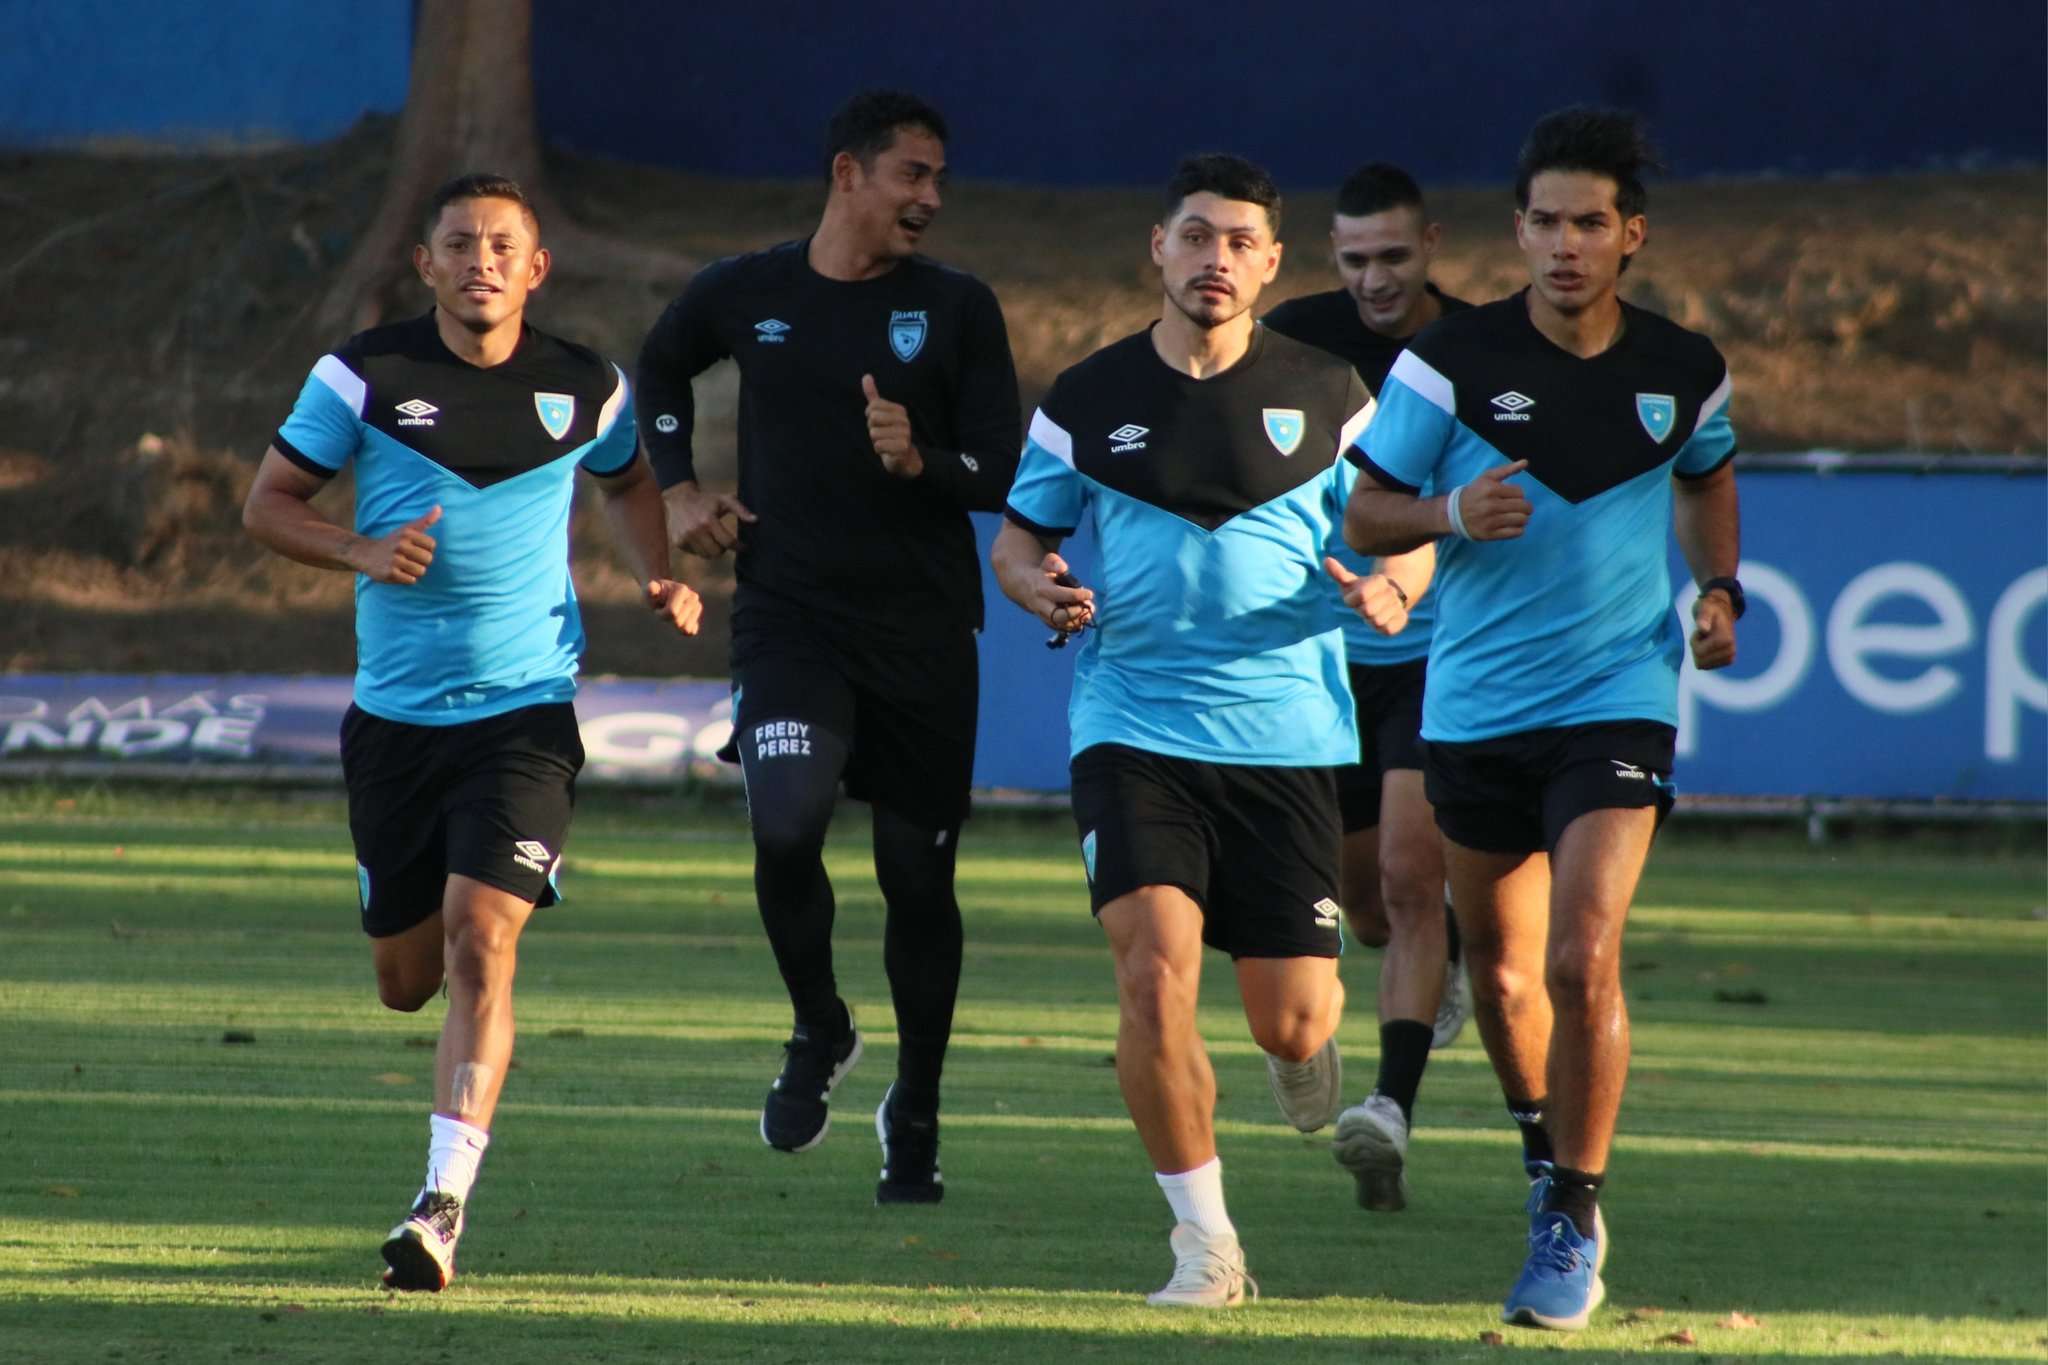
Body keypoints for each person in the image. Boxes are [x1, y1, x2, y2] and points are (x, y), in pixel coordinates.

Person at [242, 173, 703, 1290]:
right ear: (428, 265)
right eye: (461, 243)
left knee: (479, 939)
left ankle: (440, 1206)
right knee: (406, 980)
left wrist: (660, 574)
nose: (483, 260)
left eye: (505, 244)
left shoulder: (586, 384)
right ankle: (437, 1038)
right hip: (395, 723)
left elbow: (631, 480)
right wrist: (360, 551)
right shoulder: (362, 375)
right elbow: (266, 505)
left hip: (527, 715)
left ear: (536, 269)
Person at [1343, 108, 1742, 1331]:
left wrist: (1717, 588)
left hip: (1615, 701)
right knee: (1506, 978)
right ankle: (1541, 1157)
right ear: (1515, 233)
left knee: (1579, 957)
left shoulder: (1681, 369)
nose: (1563, 244)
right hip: (1470, 712)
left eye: (1587, 223)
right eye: (1542, 223)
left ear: (1629, 235)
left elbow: (1708, 471)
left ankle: (1572, 1211)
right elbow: (1365, 517)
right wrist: (1452, 514)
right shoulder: (1446, 364)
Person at [992, 154, 1403, 1308]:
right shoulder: (1086, 395)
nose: (1214, 258)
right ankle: (1204, 1244)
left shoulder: (1332, 395)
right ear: (1157, 250)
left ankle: (1298, 1047)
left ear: (1270, 264)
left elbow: (1398, 529)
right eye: (1195, 237)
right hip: (1131, 728)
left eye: (1238, 242)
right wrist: (1040, 589)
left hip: (1283, 739)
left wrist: (1395, 589)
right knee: (1152, 975)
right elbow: (1019, 544)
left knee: (1291, 1018)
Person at [634, 90, 1022, 1204]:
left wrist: (923, 465)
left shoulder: (955, 309)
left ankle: (917, 1113)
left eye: (938, 179)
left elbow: (1001, 470)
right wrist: (681, 490)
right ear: (846, 174)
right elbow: (659, 371)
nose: (930, 199)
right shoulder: (746, 291)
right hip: (789, 617)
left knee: (916, 878)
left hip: (920, 632)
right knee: (784, 822)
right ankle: (819, 1026)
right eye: (911, 175)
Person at [1262, 163, 1475, 1213]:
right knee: (1366, 905)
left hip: (1436, 649)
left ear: (1430, 242)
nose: (1372, 280)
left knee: (1402, 869)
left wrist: (1408, 575)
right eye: (1352, 260)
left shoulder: (1477, 350)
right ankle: (1453, 943)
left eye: (1391, 256)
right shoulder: (1291, 337)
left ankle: (1387, 1111)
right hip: (1324, 653)